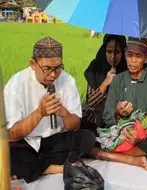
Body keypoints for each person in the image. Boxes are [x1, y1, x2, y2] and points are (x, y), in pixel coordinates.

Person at [4, 37, 96, 183]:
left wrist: (64, 114)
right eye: (47, 69)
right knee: (7, 152)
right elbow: (12, 134)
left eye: (58, 68)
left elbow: (76, 124)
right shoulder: (16, 84)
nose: (53, 75)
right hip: (26, 143)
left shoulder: (68, 81)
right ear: (33, 64)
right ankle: (54, 168)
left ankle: (34, 168)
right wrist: (40, 113)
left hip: (54, 143)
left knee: (87, 138)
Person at [90, 37, 147, 170]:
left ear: (146, 58)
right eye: (129, 55)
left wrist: (141, 135)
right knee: (87, 136)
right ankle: (128, 158)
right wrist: (117, 112)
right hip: (119, 133)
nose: (132, 60)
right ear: (125, 54)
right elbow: (107, 116)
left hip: (142, 138)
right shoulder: (118, 80)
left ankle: (106, 154)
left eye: (138, 56)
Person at [81, 34, 128, 135]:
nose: (113, 57)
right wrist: (106, 82)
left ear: (124, 52)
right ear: (104, 50)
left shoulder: (128, 70)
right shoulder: (96, 67)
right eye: (109, 52)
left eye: (117, 52)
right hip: (95, 119)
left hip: (120, 120)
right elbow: (91, 102)